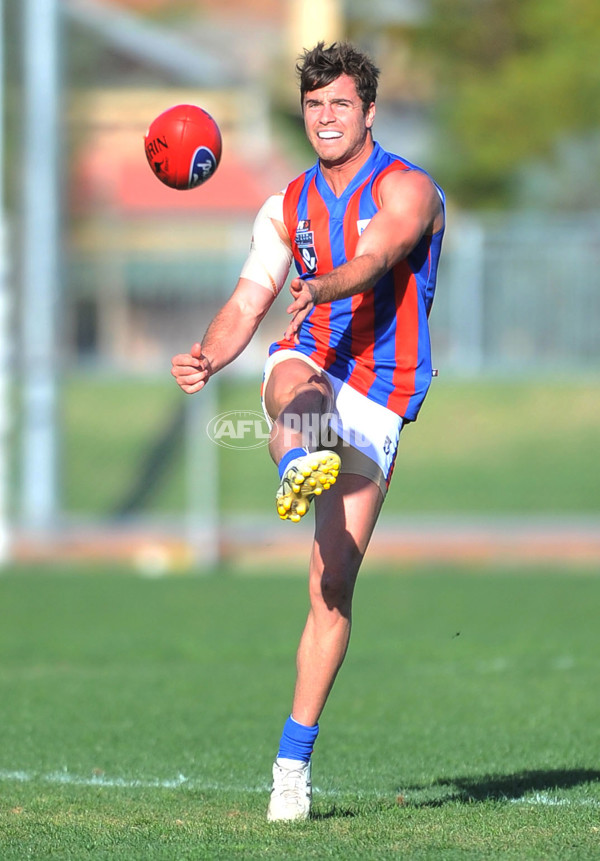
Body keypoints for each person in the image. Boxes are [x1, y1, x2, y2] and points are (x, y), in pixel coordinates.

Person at [171, 41, 445, 821]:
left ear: (368, 112)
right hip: (315, 362)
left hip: (382, 393)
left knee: (332, 588)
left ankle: (294, 758)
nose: (326, 118)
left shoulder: (409, 187)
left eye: (340, 105)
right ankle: (301, 453)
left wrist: (322, 281)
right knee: (291, 380)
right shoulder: (284, 206)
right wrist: (207, 354)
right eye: (314, 105)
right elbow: (250, 295)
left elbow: (382, 251)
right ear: (305, 113)